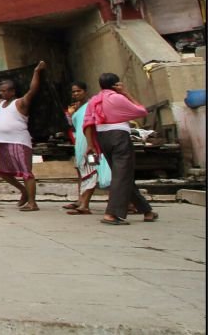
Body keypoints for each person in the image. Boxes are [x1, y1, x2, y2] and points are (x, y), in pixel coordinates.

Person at [83, 73, 156, 225]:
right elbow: (141, 111)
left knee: (123, 175)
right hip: (119, 136)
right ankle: (112, 214)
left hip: (102, 138)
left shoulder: (94, 101)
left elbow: (88, 123)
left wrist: (90, 144)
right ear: (116, 84)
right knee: (121, 175)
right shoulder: (117, 98)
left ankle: (146, 210)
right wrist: (125, 93)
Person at [0, 61, 45, 211]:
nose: (2, 93)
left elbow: (33, 90)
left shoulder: (20, 103)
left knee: (26, 172)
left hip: (19, 142)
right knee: (1, 170)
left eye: (5, 91)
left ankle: (32, 203)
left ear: (13, 91)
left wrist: (37, 72)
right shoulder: (1, 104)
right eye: (1, 91)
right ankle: (23, 191)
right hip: (3, 143)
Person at [63, 81, 109, 215]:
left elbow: (90, 125)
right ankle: (81, 200)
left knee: (92, 172)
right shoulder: (76, 108)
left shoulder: (91, 105)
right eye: (73, 92)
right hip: (80, 144)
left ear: (85, 91)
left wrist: (91, 144)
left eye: (79, 91)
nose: (76, 94)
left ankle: (84, 204)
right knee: (82, 172)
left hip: (90, 145)